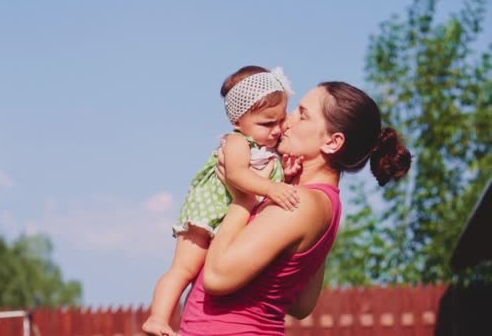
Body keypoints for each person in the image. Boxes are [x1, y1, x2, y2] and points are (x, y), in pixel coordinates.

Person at [174, 81, 412, 335]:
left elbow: (217, 277)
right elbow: (301, 304)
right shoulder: (323, 205)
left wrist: (243, 198)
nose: (287, 120)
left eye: (303, 114)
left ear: (332, 142)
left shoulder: (301, 204)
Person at [143, 66, 302, 336]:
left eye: (280, 120)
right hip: (208, 213)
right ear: (238, 120)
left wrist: (285, 176)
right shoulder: (237, 142)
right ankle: (157, 318)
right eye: (267, 123)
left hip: (232, 219)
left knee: (206, 274)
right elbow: (237, 174)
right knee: (185, 269)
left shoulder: (269, 149)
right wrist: (272, 188)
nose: (276, 130)